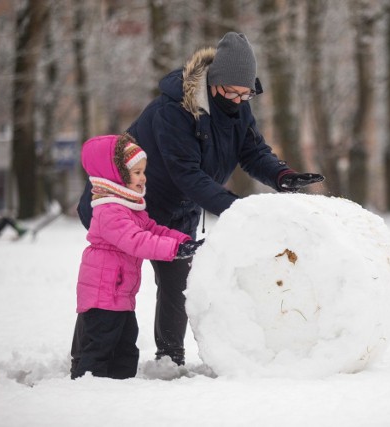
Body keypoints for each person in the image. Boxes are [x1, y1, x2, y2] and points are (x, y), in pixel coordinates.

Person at [77, 32, 324, 365]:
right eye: (233, 92)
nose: (239, 100)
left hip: (179, 211)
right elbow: (188, 175)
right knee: (111, 286)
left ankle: (169, 357)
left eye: (246, 93)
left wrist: (283, 176)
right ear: (213, 84)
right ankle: (91, 357)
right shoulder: (174, 110)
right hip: (124, 208)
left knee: (178, 284)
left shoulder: (239, 107)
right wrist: (238, 210)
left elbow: (253, 151)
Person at [70, 133, 204, 379]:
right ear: (116, 175)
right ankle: (85, 387)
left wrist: (183, 241)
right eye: (136, 173)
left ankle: (121, 387)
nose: (143, 178)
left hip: (119, 295)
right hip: (103, 295)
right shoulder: (109, 210)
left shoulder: (130, 208)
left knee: (126, 349)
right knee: (100, 346)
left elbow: (152, 229)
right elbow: (137, 241)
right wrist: (173, 251)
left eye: (144, 172)